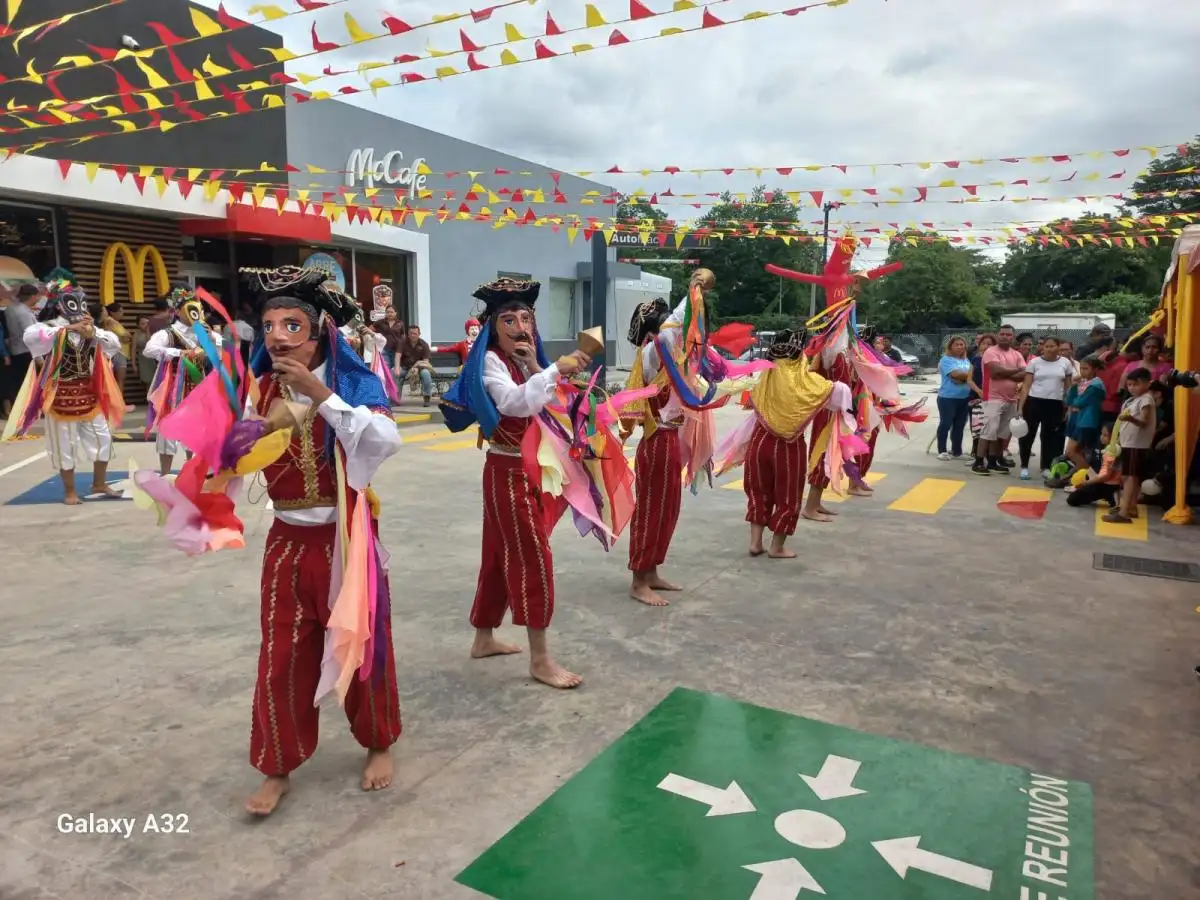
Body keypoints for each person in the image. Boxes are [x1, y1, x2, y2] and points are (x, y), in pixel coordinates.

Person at [240, 266, 403, 816]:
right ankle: (276, 764)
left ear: (317, 332)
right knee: (282, 655)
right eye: (268, 326)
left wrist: (322, 395)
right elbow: (236, 461)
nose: (277, 336)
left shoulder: (352, 381)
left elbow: (384, 442)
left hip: (346, 540)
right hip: (287, 542)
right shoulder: (259, 390)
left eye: (291, 324)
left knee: (363, 647)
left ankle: (379, 741)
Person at [439, 277, 593, 689]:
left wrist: (544, 371)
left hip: (530, 467)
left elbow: (549, 403)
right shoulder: (490, 360)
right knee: (533, 559)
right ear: (493, 326)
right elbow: (512, 402)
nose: (520, 326)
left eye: (526, 317)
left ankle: (483, 638)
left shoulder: (527, 360)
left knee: (496, 555)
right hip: (506, 470)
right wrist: (552, 371)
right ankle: (541, 659)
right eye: (509, 319)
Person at [714, 329, 850, 559]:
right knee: (788, 496)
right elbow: (839, 393)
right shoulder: (809, 382)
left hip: (760, 441)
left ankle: (755, 543)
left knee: (758, 491)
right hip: (788, 447)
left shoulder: (762, 375)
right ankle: (777, 547)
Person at [4, 277, 124, 503]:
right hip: (59, 396)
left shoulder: (91, 329)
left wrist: (94, 333)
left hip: (89, 394)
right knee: (64, 446)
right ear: (59, 305)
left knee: (103, 439)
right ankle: (70, 491)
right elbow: (31, 338)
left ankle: (99, 482)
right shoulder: (47, 328)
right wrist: (68, 328)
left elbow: (115, 344)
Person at [143, 286, 223, 476]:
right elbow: (149, 350)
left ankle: (192, 473)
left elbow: (219, 354)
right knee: (167, 433)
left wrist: (210, 335)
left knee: (196, 431)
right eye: (189, 308)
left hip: (199, 388)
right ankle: (165, 474)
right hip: (172, 388)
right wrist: (180, 353)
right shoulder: (167, 334)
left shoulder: (204, 333)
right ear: (178, 311)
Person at [1016, 335, 1075, 480]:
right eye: (1046, 346)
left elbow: (1068, 387)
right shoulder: (1034, 362)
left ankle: (1046, 466)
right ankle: (1024, 466)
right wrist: (1020, 407)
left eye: (1052, 346)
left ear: (1058, 347)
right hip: (1034, 402)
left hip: (1055, 404)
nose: (1049, 349)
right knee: (1027, 435)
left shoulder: (1065, 363)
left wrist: (1069, 406)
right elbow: (1026, 386)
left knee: (1049, 437)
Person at [1104, 367, 1155, 524]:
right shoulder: (1134, 400)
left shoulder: (1146, 399)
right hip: (1129, 443)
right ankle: (1131, 507)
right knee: (1128, 475)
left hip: (1136, 444)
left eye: (1136, 384)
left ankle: (1124, 512)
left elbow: (1144, 421)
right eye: (1130, 385)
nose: (1133, 388)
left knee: (1130, 477)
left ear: (1147, 383)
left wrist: (1130, 419)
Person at [973, 324, 1025, 476]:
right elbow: (995, 372)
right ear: (998, 335)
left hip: (1011, 398)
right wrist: (1016, 371)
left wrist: (1006, 373)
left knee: (1002, 433)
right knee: (989, 430)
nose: (1005, 337)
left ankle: (993, 461)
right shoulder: (991, 352)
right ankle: (978, 462)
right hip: (992, 397)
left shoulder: (1016, 354)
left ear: (1013, 337)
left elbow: (1026, 374)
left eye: (1008, 335)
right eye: (1002, 334)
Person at [1062, 355, 1107, 475]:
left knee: (1071, 452)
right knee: (1076, 452)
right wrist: (1073, 386)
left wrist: (1075, 387)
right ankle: (1081, 477)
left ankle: (1091, 476)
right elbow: (1069, 402)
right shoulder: (1083, 382)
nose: (1082, 371)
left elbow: (1078, 402)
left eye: (1086, 368)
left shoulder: (1096, 385)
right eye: (1081, 368)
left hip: (1086, 421)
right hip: (1077, 419)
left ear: (1094, 369)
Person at [2, 282, 41, 417]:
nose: (38, 299)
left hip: (15, 349)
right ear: (32, 297)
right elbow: (30, 333)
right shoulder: (22, 312)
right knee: (28, 382)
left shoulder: (11, 309)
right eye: (37, 296)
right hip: (26, 350)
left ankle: (20, 410)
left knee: (18, 381)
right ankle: (28, 410)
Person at [1065, 423, 1120, 508]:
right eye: (1101, 434)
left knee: (1072, 500)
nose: (1102, 437)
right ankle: (1110, 496)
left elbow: (1104, 476)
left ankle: (1111, 495)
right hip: (1102, 481)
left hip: (1106, 484)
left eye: (1105, 435)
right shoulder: (1103, 448)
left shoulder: (1111, 452)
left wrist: (1086, 483)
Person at [936, 335, 973, 460]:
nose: (959, 347)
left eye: (962, 344)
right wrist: (968, 377)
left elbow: (961, 377)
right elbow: (955, 374)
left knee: (959, 425)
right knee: (945, 424)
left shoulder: (966, 361)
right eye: (956, 344)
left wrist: (963, 378)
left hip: (964, 398)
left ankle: (957, 451)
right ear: (950, 347)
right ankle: (942, 450)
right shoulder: (946, 360)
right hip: (947, 398)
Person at [98, 301, 135, 413]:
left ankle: (115, 404)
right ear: (112, 313)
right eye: (120, 311)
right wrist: (123, 337)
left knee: (117, 380)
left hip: (119, 353)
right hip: (118, 353)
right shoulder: (110, 321)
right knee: (119, 380)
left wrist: (125, 337)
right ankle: (118, 405)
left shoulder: (116, 322)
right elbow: (124, 336)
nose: (122, 313)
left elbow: (128, 337)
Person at [396, 324, 433, 406]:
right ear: (408, 334)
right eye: (411, 333)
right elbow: (397, 356)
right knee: (393, 371)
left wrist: (417, 368)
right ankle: (396, 398)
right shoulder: (402, 342)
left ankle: (427, 397)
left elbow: (425, 362)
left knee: (426, 374)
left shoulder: (424, 344)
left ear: (419, 334)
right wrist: (397, 369)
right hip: (405, 368)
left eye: (415, 333)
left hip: (420, 369)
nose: (413, 335)